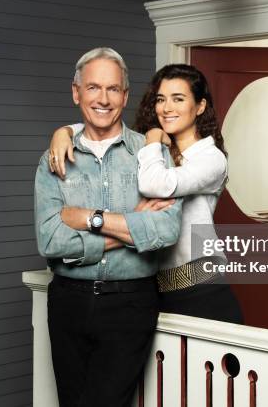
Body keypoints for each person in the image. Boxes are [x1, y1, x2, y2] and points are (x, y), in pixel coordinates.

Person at [34, 48, 182, 407]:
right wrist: (131, 228)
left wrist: (90, 218)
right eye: (93, 88)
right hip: (68, 301)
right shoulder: (54, 159)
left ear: (125, 96)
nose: (103, 99)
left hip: (129, 302)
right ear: (76, 92)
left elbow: (164, 231)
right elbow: (50, 240)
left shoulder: (150, 153)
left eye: (113, 89)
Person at [49, 64, 243, 324]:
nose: (166, 108)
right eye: (161, 99)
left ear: (200, 106)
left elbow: (156, 184)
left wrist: (152, 138)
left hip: (202, 288)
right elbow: (106, 130)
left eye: (178, 99)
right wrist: (65, 132)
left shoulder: (210, 158)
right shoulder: (153, 151)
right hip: (153, 289)